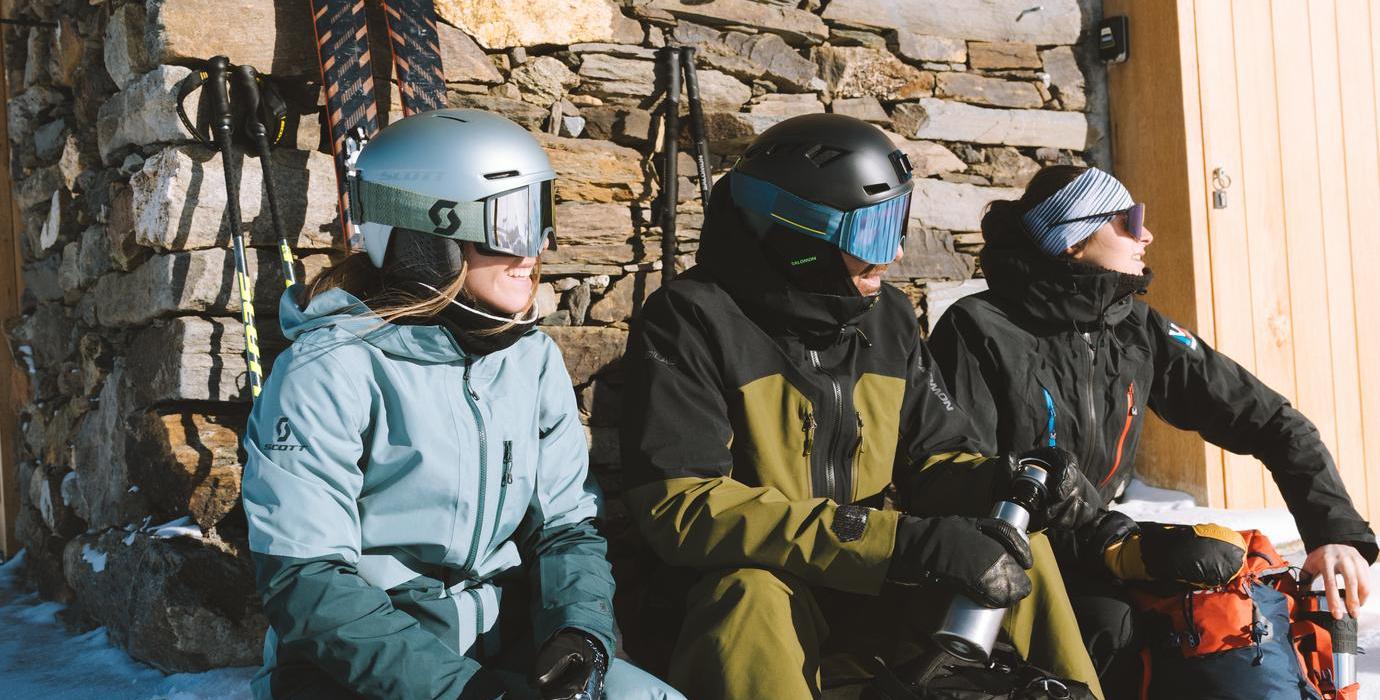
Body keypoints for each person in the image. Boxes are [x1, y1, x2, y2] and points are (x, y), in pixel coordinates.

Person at [620, 114, 1107, 699]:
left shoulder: (887, 318)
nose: (895, 253)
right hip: (757, 601)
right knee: (750, 590)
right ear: (801, 235)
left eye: (896, 224)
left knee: (1019, 545)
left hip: (870, 584)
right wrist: (892, 542)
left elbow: (936, 458)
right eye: (872, 233)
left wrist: (1006, 480)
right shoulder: (692, 319)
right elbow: (686, 507)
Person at [241, 109, 681, 700]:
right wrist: (465, 692)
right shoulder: (332, 369)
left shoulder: (530, 359)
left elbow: (567, 527)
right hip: (361, 671)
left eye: (540, 219)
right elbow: (306, 578)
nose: (534, 251)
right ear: (427, 239)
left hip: (504, 642)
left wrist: (579, 633)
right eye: (511, 226)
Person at [928, 164, 1378, 695]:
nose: (1145, 233)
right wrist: (1108, 541)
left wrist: (1334, 534)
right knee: (1114, 631)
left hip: (1106, 547)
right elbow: (956, 471)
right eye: (1127, 219)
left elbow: (1273, 422)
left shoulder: (1135, 327)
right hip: (1014, 554)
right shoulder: (978, 327)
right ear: (1072, 240)